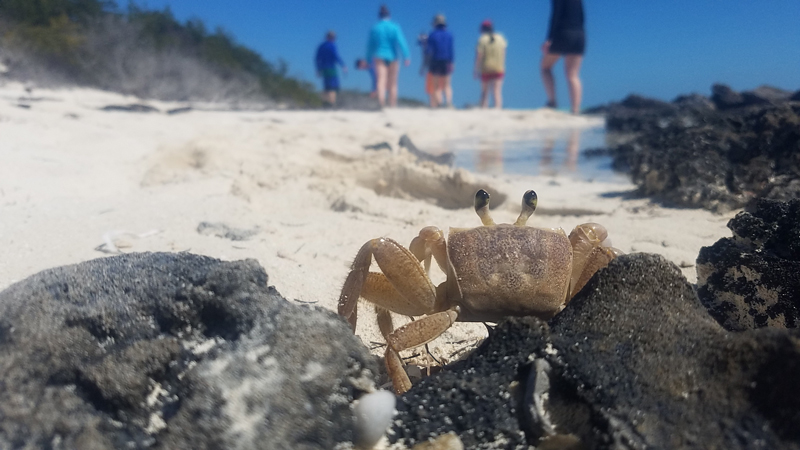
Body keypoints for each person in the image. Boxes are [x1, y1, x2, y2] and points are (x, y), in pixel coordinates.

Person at [540, 0, 586, 114]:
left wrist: (549, 39)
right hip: (580, 35)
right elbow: (582, 17)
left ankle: (552, 102)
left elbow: (556, 15)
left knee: (545, 67)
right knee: (573, 75)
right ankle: (575, 109)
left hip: (564, 33)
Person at [367, 5, 411, 108]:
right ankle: (393, 105)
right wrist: (406, 56)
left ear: (379, 16)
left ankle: (381, 103)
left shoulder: (375, 28)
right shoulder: (395, 27)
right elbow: (402, 42)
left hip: (379, 56)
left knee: (381, 80)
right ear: (389, 15)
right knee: (393, 83)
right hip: (393, 57)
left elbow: (370, 45)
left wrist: (368, 58)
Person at [473, 20, 507, 109]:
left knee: (485, 92)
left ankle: (484, 109)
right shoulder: (500, 38)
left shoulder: (482, 39)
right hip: (498, 67)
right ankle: (498, 109)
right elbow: (504, 53)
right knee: (497, 92)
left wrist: (475, 69)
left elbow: (479, 55)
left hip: (486, 68)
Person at [425, 14, 455, 108]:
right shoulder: (449, 35)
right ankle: (449, 103)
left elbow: (428, 51)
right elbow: (451, 50)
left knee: (436, 85)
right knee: (447, 85)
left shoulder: (432, 35)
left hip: (435, 61)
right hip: (446, 60)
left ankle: (440, 103)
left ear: (435, 24)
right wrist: (452, 62)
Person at [315, 30, 347, 106]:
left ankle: (325, 103)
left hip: (323, 68)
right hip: (331, 68)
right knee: (333, 87)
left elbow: (317, 58)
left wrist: (318, 69)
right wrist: (343, 65)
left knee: (326, 87)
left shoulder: (321, 46)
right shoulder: (332, 46)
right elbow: (336, 56)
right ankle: (331, 104)